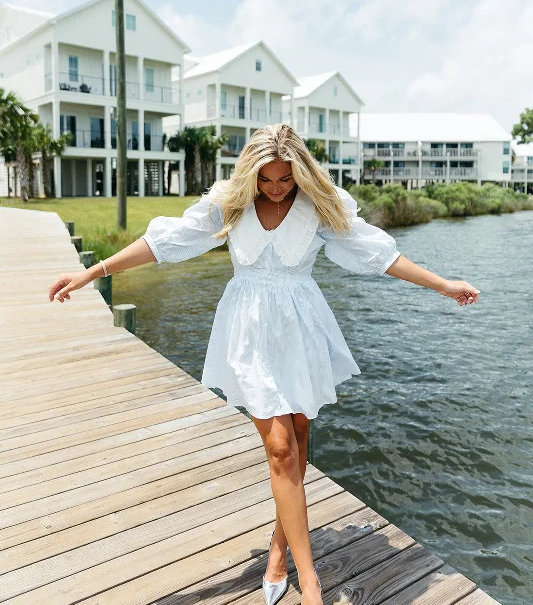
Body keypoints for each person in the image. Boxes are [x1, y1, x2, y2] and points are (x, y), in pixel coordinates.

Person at [48, 123, 480, 605]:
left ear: (300, 173)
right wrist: (92, 271)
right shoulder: (228, 203)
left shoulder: (320, 207)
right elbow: (165, 242)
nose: (276, 188)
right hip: (249, 331)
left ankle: (280, 548)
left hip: (301, 329)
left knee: (296, 439)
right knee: (280, 448)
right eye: (267, 179)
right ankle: (311, 584)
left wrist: (442, 284)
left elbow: (377, 255)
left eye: (285, 179)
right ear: (251, 172)